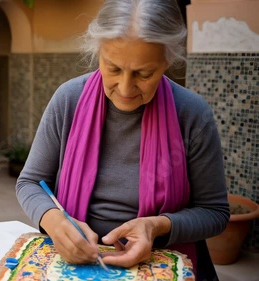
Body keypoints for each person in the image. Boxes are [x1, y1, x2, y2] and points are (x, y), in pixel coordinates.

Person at [15, 1, 230, 280]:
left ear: (168, 60)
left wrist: (156, 226)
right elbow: (30, 182)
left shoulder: (191, 114)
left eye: (144, 73)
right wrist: (53, 220)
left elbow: (214, 212)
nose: (126, 89)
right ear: (98, 53)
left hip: (160, 264)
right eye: (113, 68)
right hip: (74, 264)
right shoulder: (69, 100)